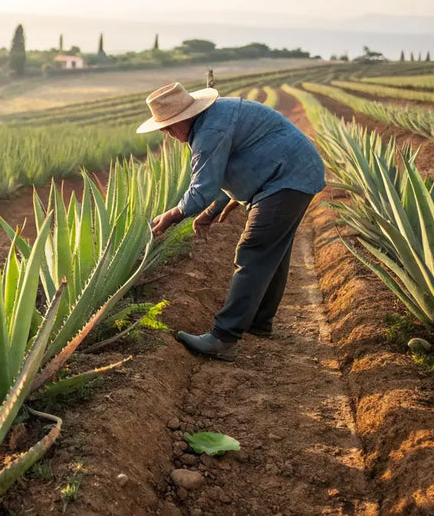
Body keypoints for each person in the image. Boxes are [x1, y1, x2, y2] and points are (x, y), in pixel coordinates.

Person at [139, 82, 326, 361]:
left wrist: (171, 216)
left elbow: (203, 186)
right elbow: (239, 166)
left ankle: (224, 338)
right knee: (273, 250)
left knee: (253, 249)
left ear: (186, 116)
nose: (167, 133)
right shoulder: (215, 118)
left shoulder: (209, 131)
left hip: (287, 179)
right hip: (292, 175)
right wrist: (213, 211)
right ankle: (259, 322)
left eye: (169, 126)